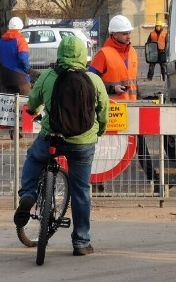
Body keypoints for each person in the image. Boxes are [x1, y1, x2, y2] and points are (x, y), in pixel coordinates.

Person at [13, 36, 109, 256]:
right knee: (81, 190)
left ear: (60, 53)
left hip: (52, 138)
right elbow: (103, 111)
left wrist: (32, 109)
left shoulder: (48, 76)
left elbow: (33, 103)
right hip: (83, 142)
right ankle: (81, 242)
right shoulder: (93, 80)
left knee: (35, 158)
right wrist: (99, 130)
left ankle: (28, 195)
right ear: (82, 55)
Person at [88, 15, 159, 192]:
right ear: (114, 35)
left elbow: (132, 81)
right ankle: (97, 182)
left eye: (129, 32)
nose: (128, 36)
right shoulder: (103, 54)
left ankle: (155, 180)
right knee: (104, 147)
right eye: (124, 33)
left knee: (140, 145)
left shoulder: (134, 52)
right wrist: (112, 89)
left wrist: (140, 98)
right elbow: (90, 82)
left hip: (131, 108)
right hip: (110, 110)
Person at [0, 17, 31, 96]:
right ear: (20, 28)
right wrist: (27, 69)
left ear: (9, 27)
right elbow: (23, 59)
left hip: (5, 78)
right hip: (20, 78)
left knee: (8, 103)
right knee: (26, 101)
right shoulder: (21, 41)